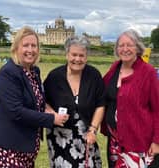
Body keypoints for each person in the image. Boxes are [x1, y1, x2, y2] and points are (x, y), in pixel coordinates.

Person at [0, 26, 69, 168]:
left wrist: (48, 109)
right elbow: (16, 111)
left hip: (26, 146)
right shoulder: (8, 73)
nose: (30, 50)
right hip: (8, 147)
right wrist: (52, 119)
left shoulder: (34, 71)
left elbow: (37, 99)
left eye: (34, 45)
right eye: (25, 45)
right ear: (16, 48)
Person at [43, 36, 105, 167]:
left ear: (86, 57)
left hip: (87, 137)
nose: (77, 59)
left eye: (81, 55)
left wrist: (93, 129)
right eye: (74, 54)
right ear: (67, 55)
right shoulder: (55, 76)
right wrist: (52, 114)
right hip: (59, 138)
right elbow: (42, 100)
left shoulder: (94, 75)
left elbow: (100, 104)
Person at [101, 29, 159, 168]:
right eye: (121, 45)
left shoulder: (148, 72)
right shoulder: (115, 68)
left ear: (138, 48)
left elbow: (158, 108)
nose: (125, 49)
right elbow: (102, 93)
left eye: (129, 45)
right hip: (115, 142)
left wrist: (157, 141)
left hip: (139, 142)